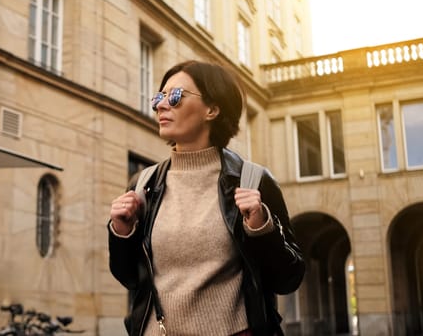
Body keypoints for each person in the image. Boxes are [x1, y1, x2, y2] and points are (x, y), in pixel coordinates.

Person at [107, 60, 305, 336]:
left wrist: (262, 229)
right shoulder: (144, 184)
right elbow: (130, 278)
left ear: (212, 109)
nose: (162, 105)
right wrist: (121, 232)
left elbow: (288, 278)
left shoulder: (253, 181)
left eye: (175, 96)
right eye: (159, 97)